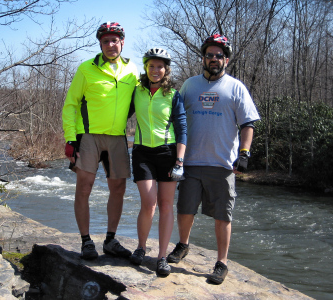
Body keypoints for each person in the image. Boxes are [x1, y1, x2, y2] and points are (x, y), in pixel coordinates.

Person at [166, 34, 260, 284]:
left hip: (222, 164)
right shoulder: (190, 85)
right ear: (204, 58)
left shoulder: (236, 87)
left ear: (226, 59)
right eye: (210, 55)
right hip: (191, 161)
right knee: (185, 209)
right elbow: (176, 118)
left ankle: (221, 262)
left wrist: (244, 153)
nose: (214, 59)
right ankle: (183, 245)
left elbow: (248, 123)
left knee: (223, 215)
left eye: (219, 55)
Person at [62, 22, 139, 260]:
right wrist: (70, 138)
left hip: (117, 137)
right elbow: (71, 104)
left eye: (115, 40)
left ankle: (110, 240)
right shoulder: (86, 69)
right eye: (105, 41)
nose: (110, 45)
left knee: (118, 188)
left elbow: (143, 102)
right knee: (84, 188)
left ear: (122, 42)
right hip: (89, 137)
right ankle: (86, 241)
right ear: (100, 44)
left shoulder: (133, 70)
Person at [129, 48, 187, 276]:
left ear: (166, 70)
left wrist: (180, 161)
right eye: (151, 66)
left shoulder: (173, 95)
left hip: (168, 153)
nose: (155, 70)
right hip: (142, 152)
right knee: (148, 202)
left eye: (160, 67)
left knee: (165, 205)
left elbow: (182, 129)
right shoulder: (136, 92)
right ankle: (141, 247)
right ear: (146, 67)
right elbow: (118, 112)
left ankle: (162, 257)